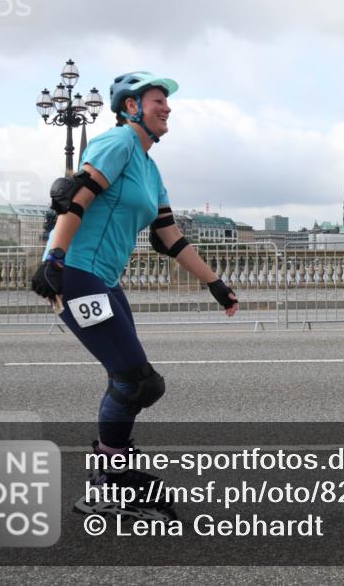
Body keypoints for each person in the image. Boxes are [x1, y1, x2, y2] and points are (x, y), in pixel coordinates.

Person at [32, 71, 238, 520]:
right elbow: (73, 199)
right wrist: (56, 259)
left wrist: (215, 284)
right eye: (157, 100)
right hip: (77, 273)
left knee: (130, 382)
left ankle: (112, 474)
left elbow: (170, 237)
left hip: (104, 279)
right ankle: (110, 483)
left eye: (167, 101)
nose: (167, 108)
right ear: (131, 107)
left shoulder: (149, 167)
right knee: (137, 381)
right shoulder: (119, 142)